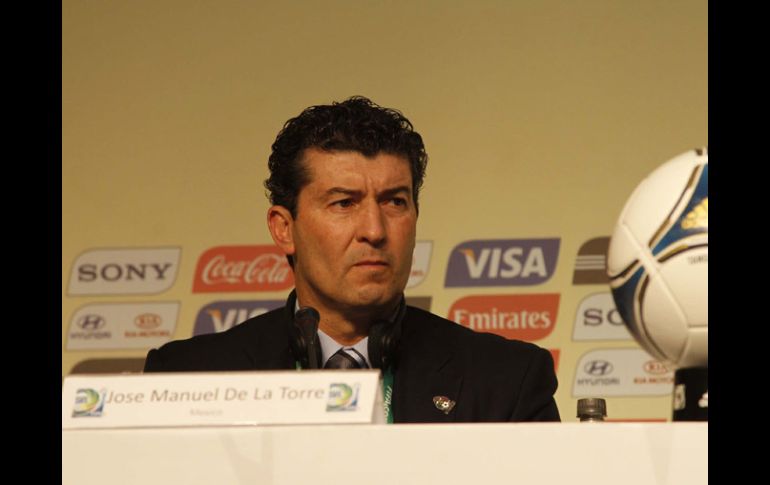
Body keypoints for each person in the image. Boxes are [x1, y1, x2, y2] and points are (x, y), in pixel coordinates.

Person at [144, 96, 560, 423]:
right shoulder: (185, 377)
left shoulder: (508, 380)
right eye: (344, 203)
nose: (375, 231)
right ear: (284, 228)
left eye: (395, 202)